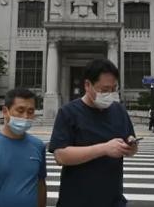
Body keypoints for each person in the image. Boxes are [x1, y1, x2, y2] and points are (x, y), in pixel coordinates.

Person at [48, 58, 138, 207]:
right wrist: (104, 149)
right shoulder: (68, 112)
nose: (109, 94)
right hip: (76, 200)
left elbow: (131, 148)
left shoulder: (119, 110)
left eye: (113, 89)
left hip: (113, 200)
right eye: (104, 90)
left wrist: (130, 147)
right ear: (87, 85)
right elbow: (61, 156)